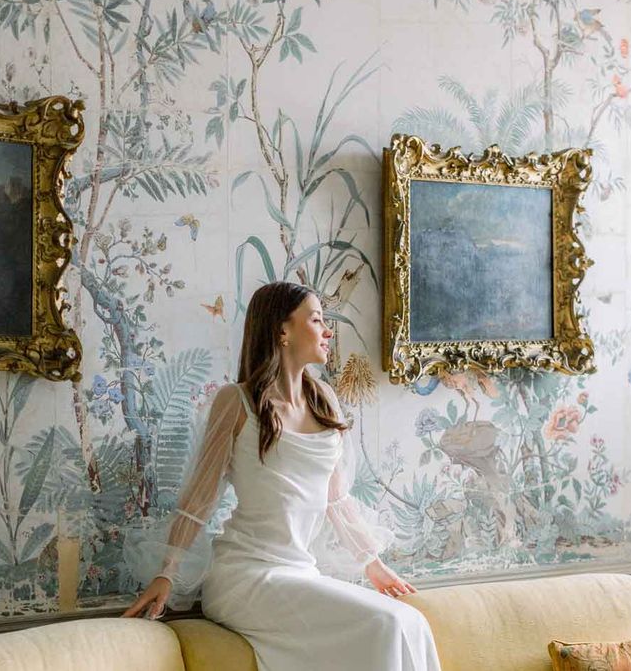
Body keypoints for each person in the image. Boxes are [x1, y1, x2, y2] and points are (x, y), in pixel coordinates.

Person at [123, 281, 441, 671]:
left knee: (413, 622)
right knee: (386, 624)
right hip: (245, 577)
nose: (327, 331)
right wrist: (166, 573)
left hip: (300, 572)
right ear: (282, 330)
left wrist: (372, 562)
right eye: (317, 319)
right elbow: (200, 498)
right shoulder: (236, 401)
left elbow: (335, 499)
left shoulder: (324, 399)